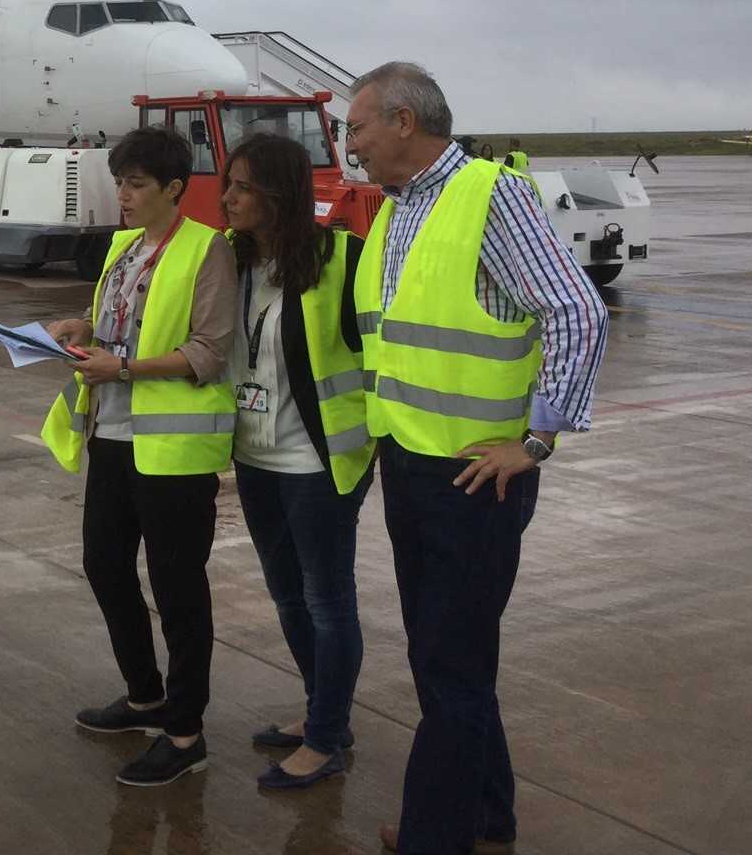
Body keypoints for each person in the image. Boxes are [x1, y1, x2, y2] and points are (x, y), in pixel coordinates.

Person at [343, 63, 607, 855]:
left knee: (451, 670)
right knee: (444, 659)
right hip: (412, 465)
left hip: (472, 477)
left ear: (402, 122)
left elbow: (577, 312)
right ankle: (485, 821)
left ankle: (436, 837)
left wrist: (535, 440)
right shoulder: (396, 212)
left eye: (356, 127)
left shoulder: (489, 195)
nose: (348, 144)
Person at [42, 126, 238, 787]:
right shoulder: (123, 249)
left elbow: (208, 352)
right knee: (104, 565)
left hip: (174, 451)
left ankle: (185, 732)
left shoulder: (207, 251)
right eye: (119, 182)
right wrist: (82, 329)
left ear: (173, 190)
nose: (122, 195)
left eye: (136, 185)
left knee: (179, 588)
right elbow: (118, 323)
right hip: (112, 438)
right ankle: (145, 696)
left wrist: (122, 367)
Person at [220, 133, 376, 791]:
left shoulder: (343, 257)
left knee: (327, 600)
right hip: (255, 459)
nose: (227, 198)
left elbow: (386, 354)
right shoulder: (230, 262)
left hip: (320, 465)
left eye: (242, 187)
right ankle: (324, 716)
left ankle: (324, 739)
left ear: (278, 194)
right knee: (288, 596)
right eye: (229, 185)